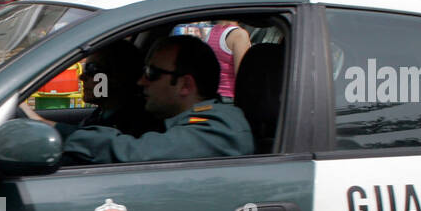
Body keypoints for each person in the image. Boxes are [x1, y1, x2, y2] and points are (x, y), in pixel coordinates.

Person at [22, 35, 253, 164]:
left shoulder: (218, 127)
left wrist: (48, 127)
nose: (141, 81)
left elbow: (135, 153)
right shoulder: (165, 120)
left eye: (152, 73)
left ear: (185, 85)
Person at [75, 39, 163, 137]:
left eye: (92, 69)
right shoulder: (100, 114)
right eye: (85, 68)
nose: (82, 77)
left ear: (118, 77)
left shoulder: (136, 127)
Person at [205, 20, 249, 102]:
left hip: (214, 98)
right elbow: (242, 78)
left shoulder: (211, 32)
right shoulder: (239, 35)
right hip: (231, 99)